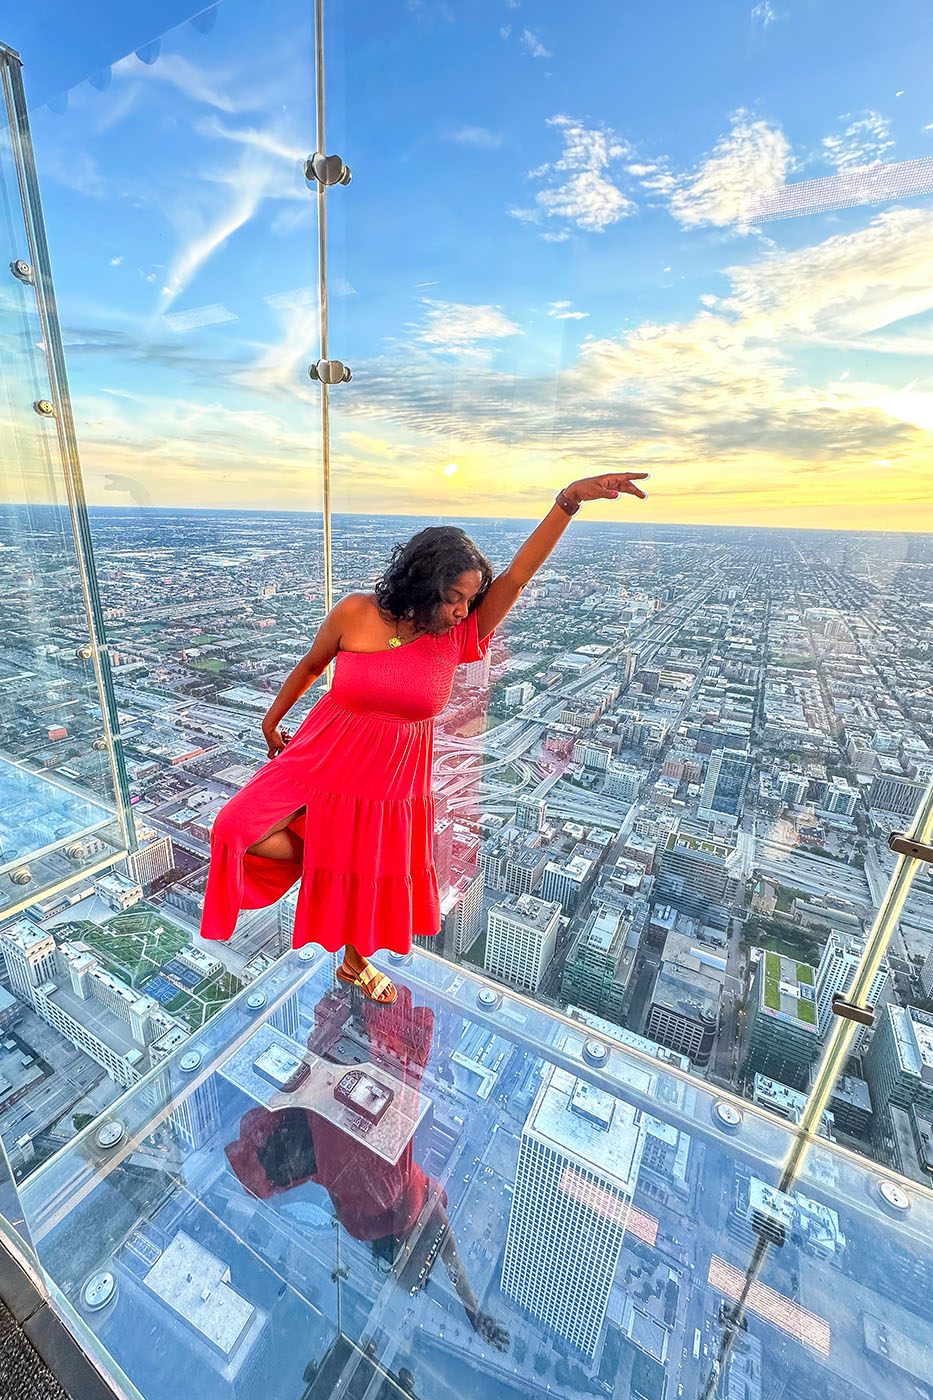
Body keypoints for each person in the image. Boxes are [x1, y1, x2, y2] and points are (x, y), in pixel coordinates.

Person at [200, 473, 647, 1003]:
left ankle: (354, 963)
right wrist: (271, 720)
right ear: (420, 584)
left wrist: (567, 502)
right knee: (233, 829)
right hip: (321, 752)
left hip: (393, 775)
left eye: (471, 597)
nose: (463, 608)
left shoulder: (461, 634)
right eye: (453, 596)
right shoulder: (355, 612)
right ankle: (324, 856)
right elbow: (312, 664)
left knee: (369, 870)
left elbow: (519, 576)